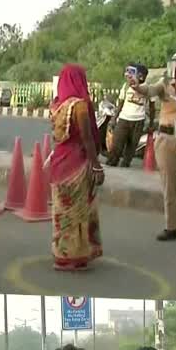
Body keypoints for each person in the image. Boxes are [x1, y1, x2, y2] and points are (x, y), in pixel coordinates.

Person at [129, 52, 176, 247]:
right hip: (166, 137)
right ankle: (171, 227)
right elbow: (148, 91)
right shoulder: (164, 86)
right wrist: (135, 85)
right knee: (168, 185)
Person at [49, 64, 104, 272]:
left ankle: (63, 254)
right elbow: (88, 138)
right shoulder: (80, 105)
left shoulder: (56, 105)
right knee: (79, 212)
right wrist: (96, 166)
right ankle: (76, 256)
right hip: (77, 162)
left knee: (62, 212)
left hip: (59, 162)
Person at [107, 64, 154, 168]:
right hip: (124, 118)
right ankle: (112, 162)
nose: (141, 77)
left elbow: (152, 107)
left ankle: (125, 164)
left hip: (139, 120)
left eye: (143, 75)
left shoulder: (148, 88)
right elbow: (120, 103)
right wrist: (114, 119)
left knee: (132, 146)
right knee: (117, 143)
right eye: (139, 74)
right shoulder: (127, 86)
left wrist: (151, 124)